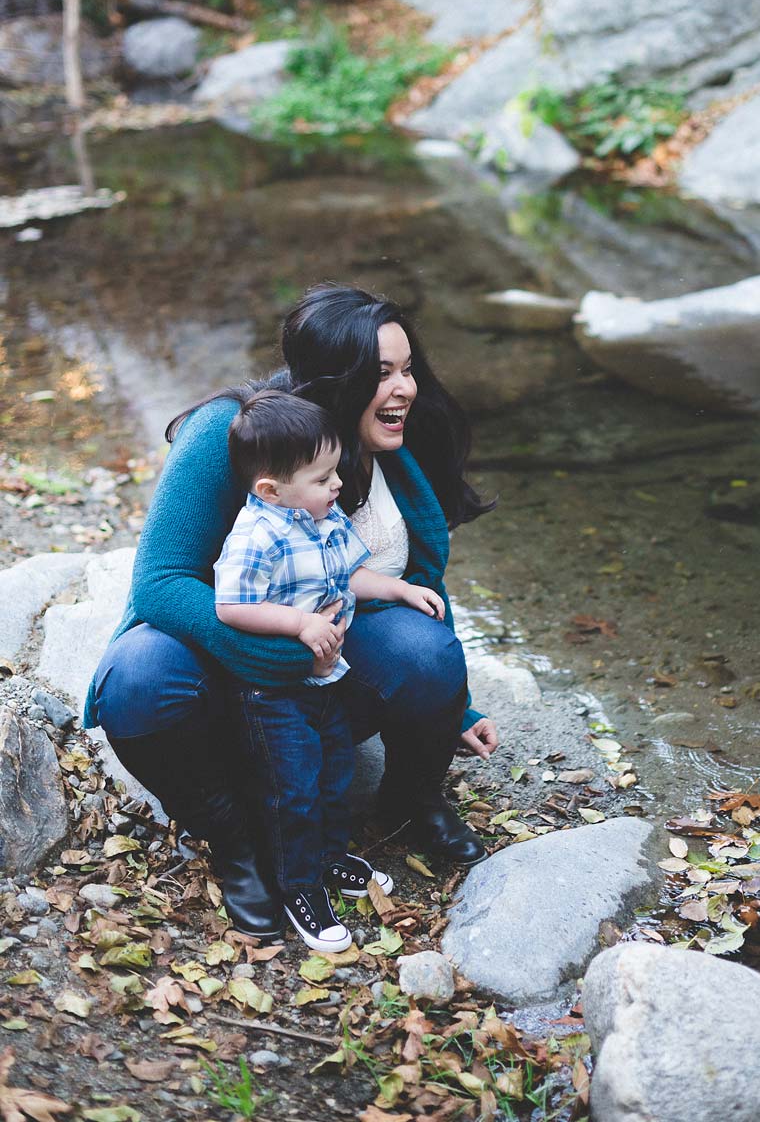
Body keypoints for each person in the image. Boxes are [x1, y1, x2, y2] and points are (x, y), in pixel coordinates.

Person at [84, 284, 500, 942]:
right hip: (230, 651)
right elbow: (161, 581)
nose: (406, 389)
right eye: (382, 373)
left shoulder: (390, 440)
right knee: (138, 683)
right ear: (337, 383)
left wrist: (459, 706)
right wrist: (284, 648)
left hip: (329, 655)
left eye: (408, 368)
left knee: (429, 656)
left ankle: (411, 799)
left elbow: (420, 581)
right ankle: (235, 845)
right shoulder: (233, 432)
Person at [214, 388, 449, 950]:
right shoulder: (257, 536)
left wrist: (396, 587)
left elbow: (348, 576)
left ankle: (327, 859)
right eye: (322, 478)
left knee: (334, 772)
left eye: (334, 470)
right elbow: (232, 606)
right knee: (291, 788)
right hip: (273, 692)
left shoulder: (322, 514)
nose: (337, 483)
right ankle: (297, 886)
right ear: (272, 490)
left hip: (327, 679)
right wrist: (297, 626)